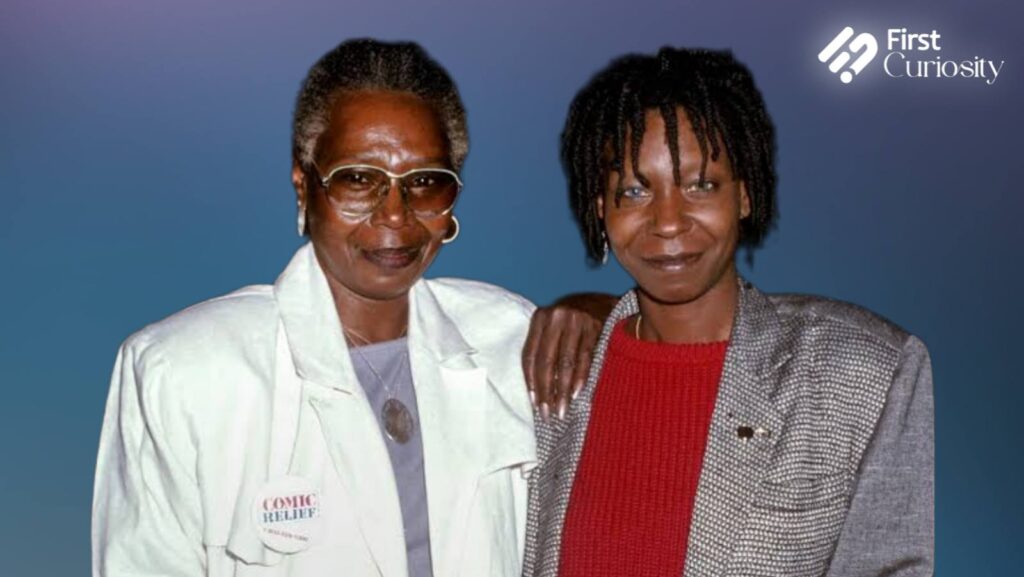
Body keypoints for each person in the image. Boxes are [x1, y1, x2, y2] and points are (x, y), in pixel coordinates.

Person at [92, 39, 605, 577]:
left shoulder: (510, 336)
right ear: (303, 186)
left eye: (425, 184)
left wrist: (598, 308)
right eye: (358, 180)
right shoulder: (183, 371)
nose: (395, 217)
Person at [523, 47, 934, 577]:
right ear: (601, 211)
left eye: (701, 186)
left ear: (744, 195)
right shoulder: (551, 378)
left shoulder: (862, 371)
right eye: (633, 190)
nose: (667, 221)